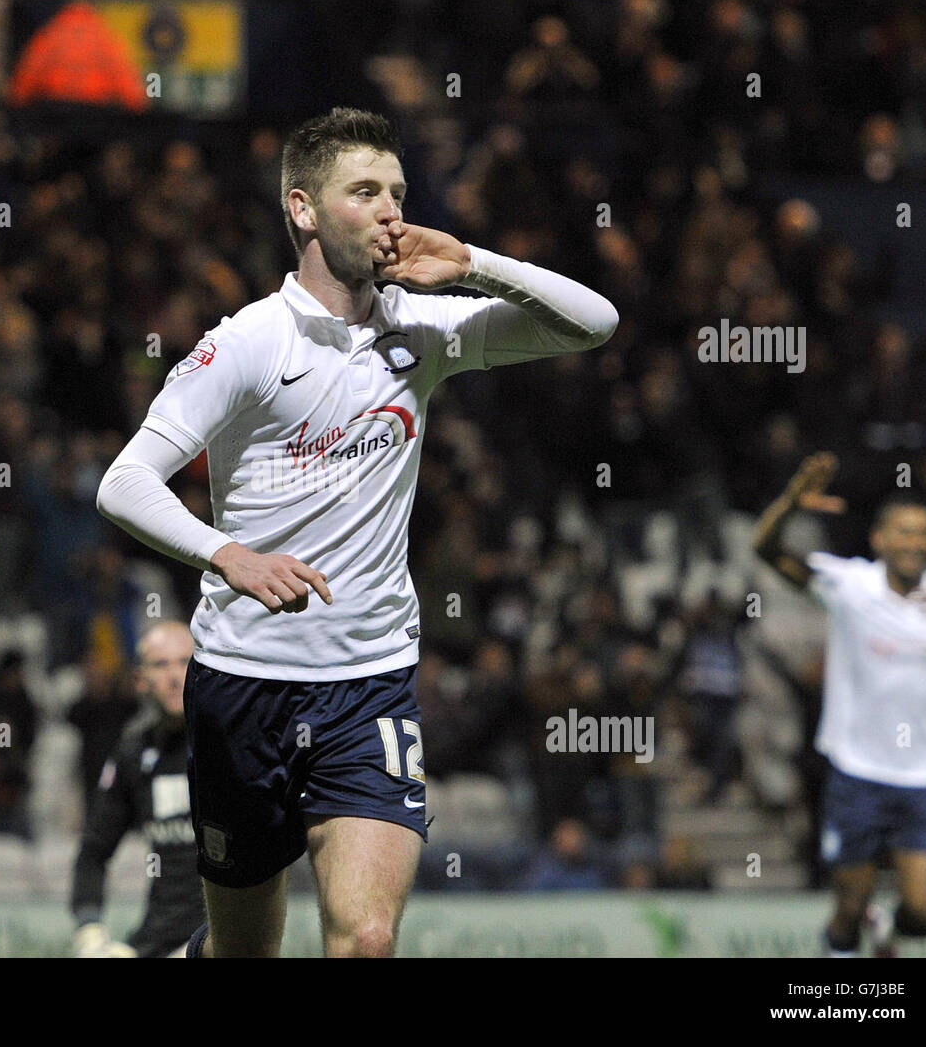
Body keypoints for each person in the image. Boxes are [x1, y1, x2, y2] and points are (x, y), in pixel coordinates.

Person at [95, 107, 617, 957]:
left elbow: (594, 322)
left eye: (398, 193)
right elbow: (124, 483)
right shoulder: (247, 344)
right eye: (364, 192)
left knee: (366, 941)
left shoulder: (424, 328)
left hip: (370, 682)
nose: (390, 211)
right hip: (242, 685)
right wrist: (228, 555)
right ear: (303, 209)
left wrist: (477, 264)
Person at [753, 451, 926, 957]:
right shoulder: (849, 585)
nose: (914, 542)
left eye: (923, 533)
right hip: (856, 773)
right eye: (903, 532)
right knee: (847, 907)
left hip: (925, 778)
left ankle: (885, 928)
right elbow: (764, 548)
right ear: (879, 540)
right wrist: (791, 503)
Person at [70, 620, 205, 958]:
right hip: (156, 938)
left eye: (185, 662)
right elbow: (93, 852)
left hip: (225, 938)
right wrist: (90, 931)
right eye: (161, 665)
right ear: (140, 680)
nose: (174, 677)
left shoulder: (234, 747)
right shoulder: (133, 754)